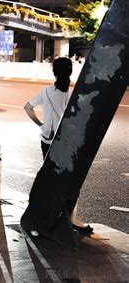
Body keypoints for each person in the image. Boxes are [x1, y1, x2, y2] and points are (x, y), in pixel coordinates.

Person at [24, 57, 93, 234]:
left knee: (49, 179)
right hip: (67, 142)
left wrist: (40, 124)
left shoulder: (46, 92)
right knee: (70, 180)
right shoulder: (73, 94)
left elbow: (27, 107)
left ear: (54, 72)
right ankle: (71, 218)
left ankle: (42, 219)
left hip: (47, 140)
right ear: (70, 72)